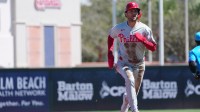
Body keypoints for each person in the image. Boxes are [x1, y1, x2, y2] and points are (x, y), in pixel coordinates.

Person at [107, 1, 157, 112]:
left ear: (139, 13)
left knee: (132, 93)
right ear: (126, 14)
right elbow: (110, 37)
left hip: (139, 65)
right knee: (130, 79)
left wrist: (143, 40)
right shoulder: (119, 28)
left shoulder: (145, 29)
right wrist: (110, 53)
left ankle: (125, 104)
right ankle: (135, 110)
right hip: (123, 62)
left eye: (135, 11)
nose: (133, 13)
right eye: (130, 11)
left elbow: (153, 48)